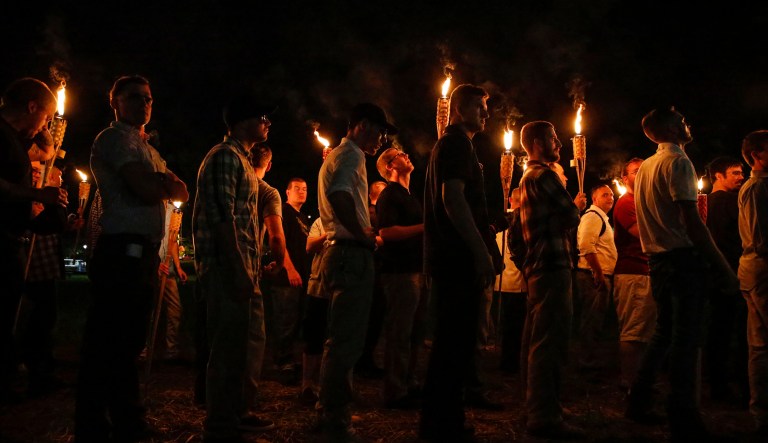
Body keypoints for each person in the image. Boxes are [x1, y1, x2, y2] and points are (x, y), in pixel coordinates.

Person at [75, 75, 189, 442]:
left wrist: (158, 183)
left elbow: (181, 192)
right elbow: (144, 189)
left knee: (129, 340)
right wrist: (160, 184)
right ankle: (96, 421)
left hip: (142, 250)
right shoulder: (113, 138)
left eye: (149, 99)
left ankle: (124, 416)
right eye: (135, 97)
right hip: (120, 248)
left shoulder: (148, 149)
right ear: (116, 102)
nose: (144, 104)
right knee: (110, 339)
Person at [626, 106, 738, 441]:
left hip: (658, 260)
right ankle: (683, 415)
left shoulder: (646, 166)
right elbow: (692, 221)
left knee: (663, 334)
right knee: (687, 340)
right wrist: (721, 266)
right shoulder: (678, 162)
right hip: (682, 259)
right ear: (672, 129)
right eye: (682, 121)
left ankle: (638, 401)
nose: (688, 124)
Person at [192, 94, 279, 443]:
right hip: (227, 267)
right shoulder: (225, 157)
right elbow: (221, 217)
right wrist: (239, 269)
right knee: (227, 348)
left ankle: (237, 413)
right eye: (262, 116)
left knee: (242, 346)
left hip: (244, 267)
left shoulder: (242, 160)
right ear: (243, 121)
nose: (268, 123)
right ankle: (220, 425)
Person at [420, 84, 497, 442]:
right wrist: (481, 251)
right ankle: (441, 424)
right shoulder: (454, 144)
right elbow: (453, 199)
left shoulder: (455, 145)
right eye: (481, 106)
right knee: (454, 343)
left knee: (455, 343)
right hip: (458, 260)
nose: (487, 113)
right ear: (460, 109)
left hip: (454, 258)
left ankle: (444, 418)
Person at [316, 102, 397, 441]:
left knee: (338, 339)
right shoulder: (351, 156)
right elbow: (340, 196)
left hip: (338, 253)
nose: (382, 140)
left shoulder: (336, 155)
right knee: (346, 340)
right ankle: (334, 419)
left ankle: (331, 411)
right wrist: (364, 237)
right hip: (350, 253)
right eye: (380, 132)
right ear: (363, 125)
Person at [0, 77, 66, 404]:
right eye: (45, 116)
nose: (46, 124)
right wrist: (36, 193)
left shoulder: (13, 138)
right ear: (31, 107)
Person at [517, 120, 584, 439]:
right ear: (537, 142)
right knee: (550, 341)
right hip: (552, 264)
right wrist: (577, 206)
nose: (559, 144)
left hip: (538, 267)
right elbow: (570, 216)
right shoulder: (544, 175)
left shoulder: (527, 177)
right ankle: (544, 414)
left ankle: (536, 404)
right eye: (554, 139)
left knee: (536, 339)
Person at [374, 146, 428, 410]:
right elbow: (386, 232)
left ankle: (410, 382)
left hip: (416, 270)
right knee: (400, 331)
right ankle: (394, 390)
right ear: (389, 167)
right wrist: (425, 227)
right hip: (399, 272)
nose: (406, 154)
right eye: (399, 154)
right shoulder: (388, 196)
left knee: (415, 332)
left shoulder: (410, 195)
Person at [704, 155, 748, 404]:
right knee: (732, 330)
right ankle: (731, 385)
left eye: (741, 172)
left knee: (718, 329)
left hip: (717, 273)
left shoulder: (705, 203)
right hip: (731, 273)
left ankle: (718, 383)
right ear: (718, 176)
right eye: (734, 173)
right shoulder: (728, 202)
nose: (740, 176)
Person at [612, 158, 656, 392]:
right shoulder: (626, 203)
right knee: (634, 330)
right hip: (633, 273)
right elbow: (643, 233)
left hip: (647, 272)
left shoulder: (644, 202)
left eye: (645, 171)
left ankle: (640, 381)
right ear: (624, 178)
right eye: (637, 172)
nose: (642, 175)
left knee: (646, 330)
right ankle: (630, 382)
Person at [737, 130, 768, 441]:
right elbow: (761, 239)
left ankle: (761, 412)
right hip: (762, 270)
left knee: (760, 344)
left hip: (754, 269)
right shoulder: (758, 188)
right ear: (757, 155)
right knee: (760, 344)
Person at [270, 177, 311, 384]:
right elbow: (279, 241)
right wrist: (290, 268)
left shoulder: (302, 216)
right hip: (287, 278)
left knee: (296, 321)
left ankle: (291, 360)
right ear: (287, 192)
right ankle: (281, 363)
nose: (301, 192)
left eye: (304, 189)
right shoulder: (284, 212)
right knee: (285, 320)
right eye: (297, 188)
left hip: (302, 278)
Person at [573, 183, 617, 369]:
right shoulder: (592, 217)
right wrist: (598, 272)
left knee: (596, 320)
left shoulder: (602, 218)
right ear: (595, 199)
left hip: (597, 275)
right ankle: (586, 362)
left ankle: (590, 359)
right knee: (591, 320)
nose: (610, 197)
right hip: (592, 276)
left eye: (612, 194)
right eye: (605, 195)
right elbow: (585, 245)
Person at [355, 180, 387, 379]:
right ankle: (361, 359)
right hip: (369, 269)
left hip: (381, 269)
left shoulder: (382, 211)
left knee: (377, 317)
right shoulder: (369, 213)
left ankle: (368, 358)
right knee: (367, 317)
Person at [498, 188, 528, 374]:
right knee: (512, 326)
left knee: (514, 325)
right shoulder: (510, 220)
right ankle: (509, 364)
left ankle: (512, 360)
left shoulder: (510, 219)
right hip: (511, 280)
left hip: (512, 280)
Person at [300, 216, 329, 404]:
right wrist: (331, 234)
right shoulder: (320, 222)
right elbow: (310, 246)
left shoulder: (356, 219)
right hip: (319, 286)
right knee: (314, 337)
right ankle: (308, 384)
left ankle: (328, 384)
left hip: (343, 288)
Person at [156, 204, 188, 362]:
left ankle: (171, 349)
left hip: (168, 271)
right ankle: (144, 349)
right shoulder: (152, 206)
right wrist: (154, 264)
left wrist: (178, 266)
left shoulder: (172, 209)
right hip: (152, 268)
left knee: (175, 309)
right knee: (150, 310)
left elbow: (172, 240)